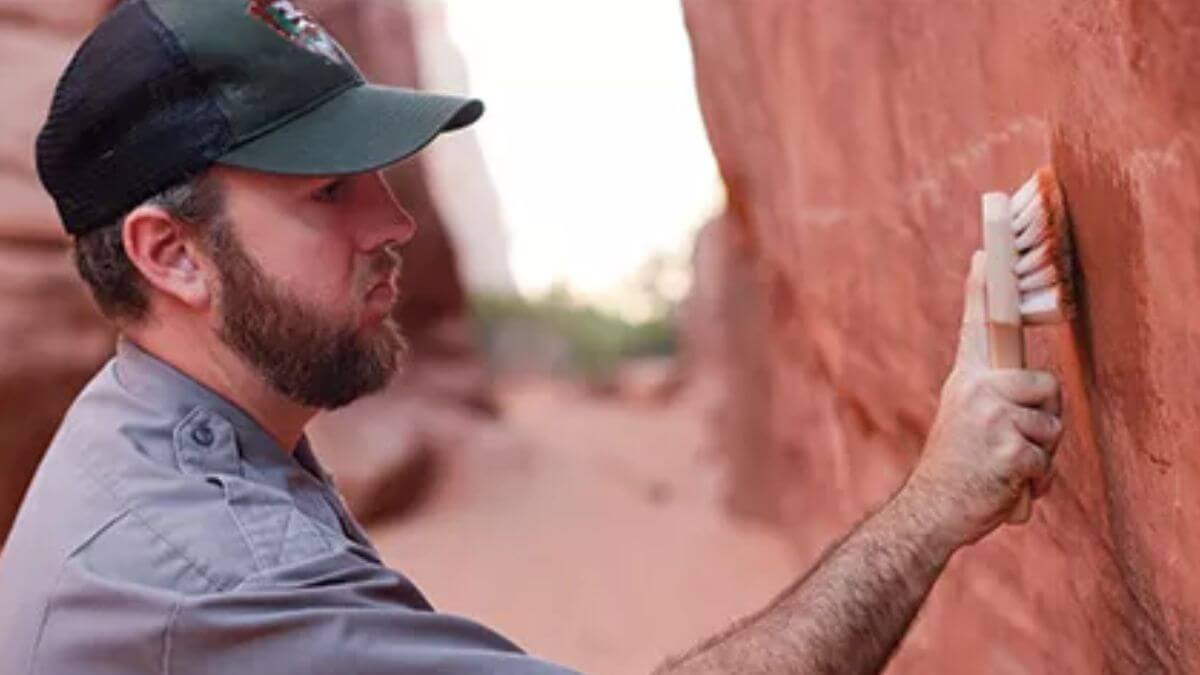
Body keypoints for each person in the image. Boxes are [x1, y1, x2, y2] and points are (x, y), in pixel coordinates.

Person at [0, 0, 1062, 673]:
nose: (395, 223)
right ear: (170, 254)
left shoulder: (173, 432)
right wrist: (935, 502)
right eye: (328, 193)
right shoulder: (216, 576)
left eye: (379, 178)